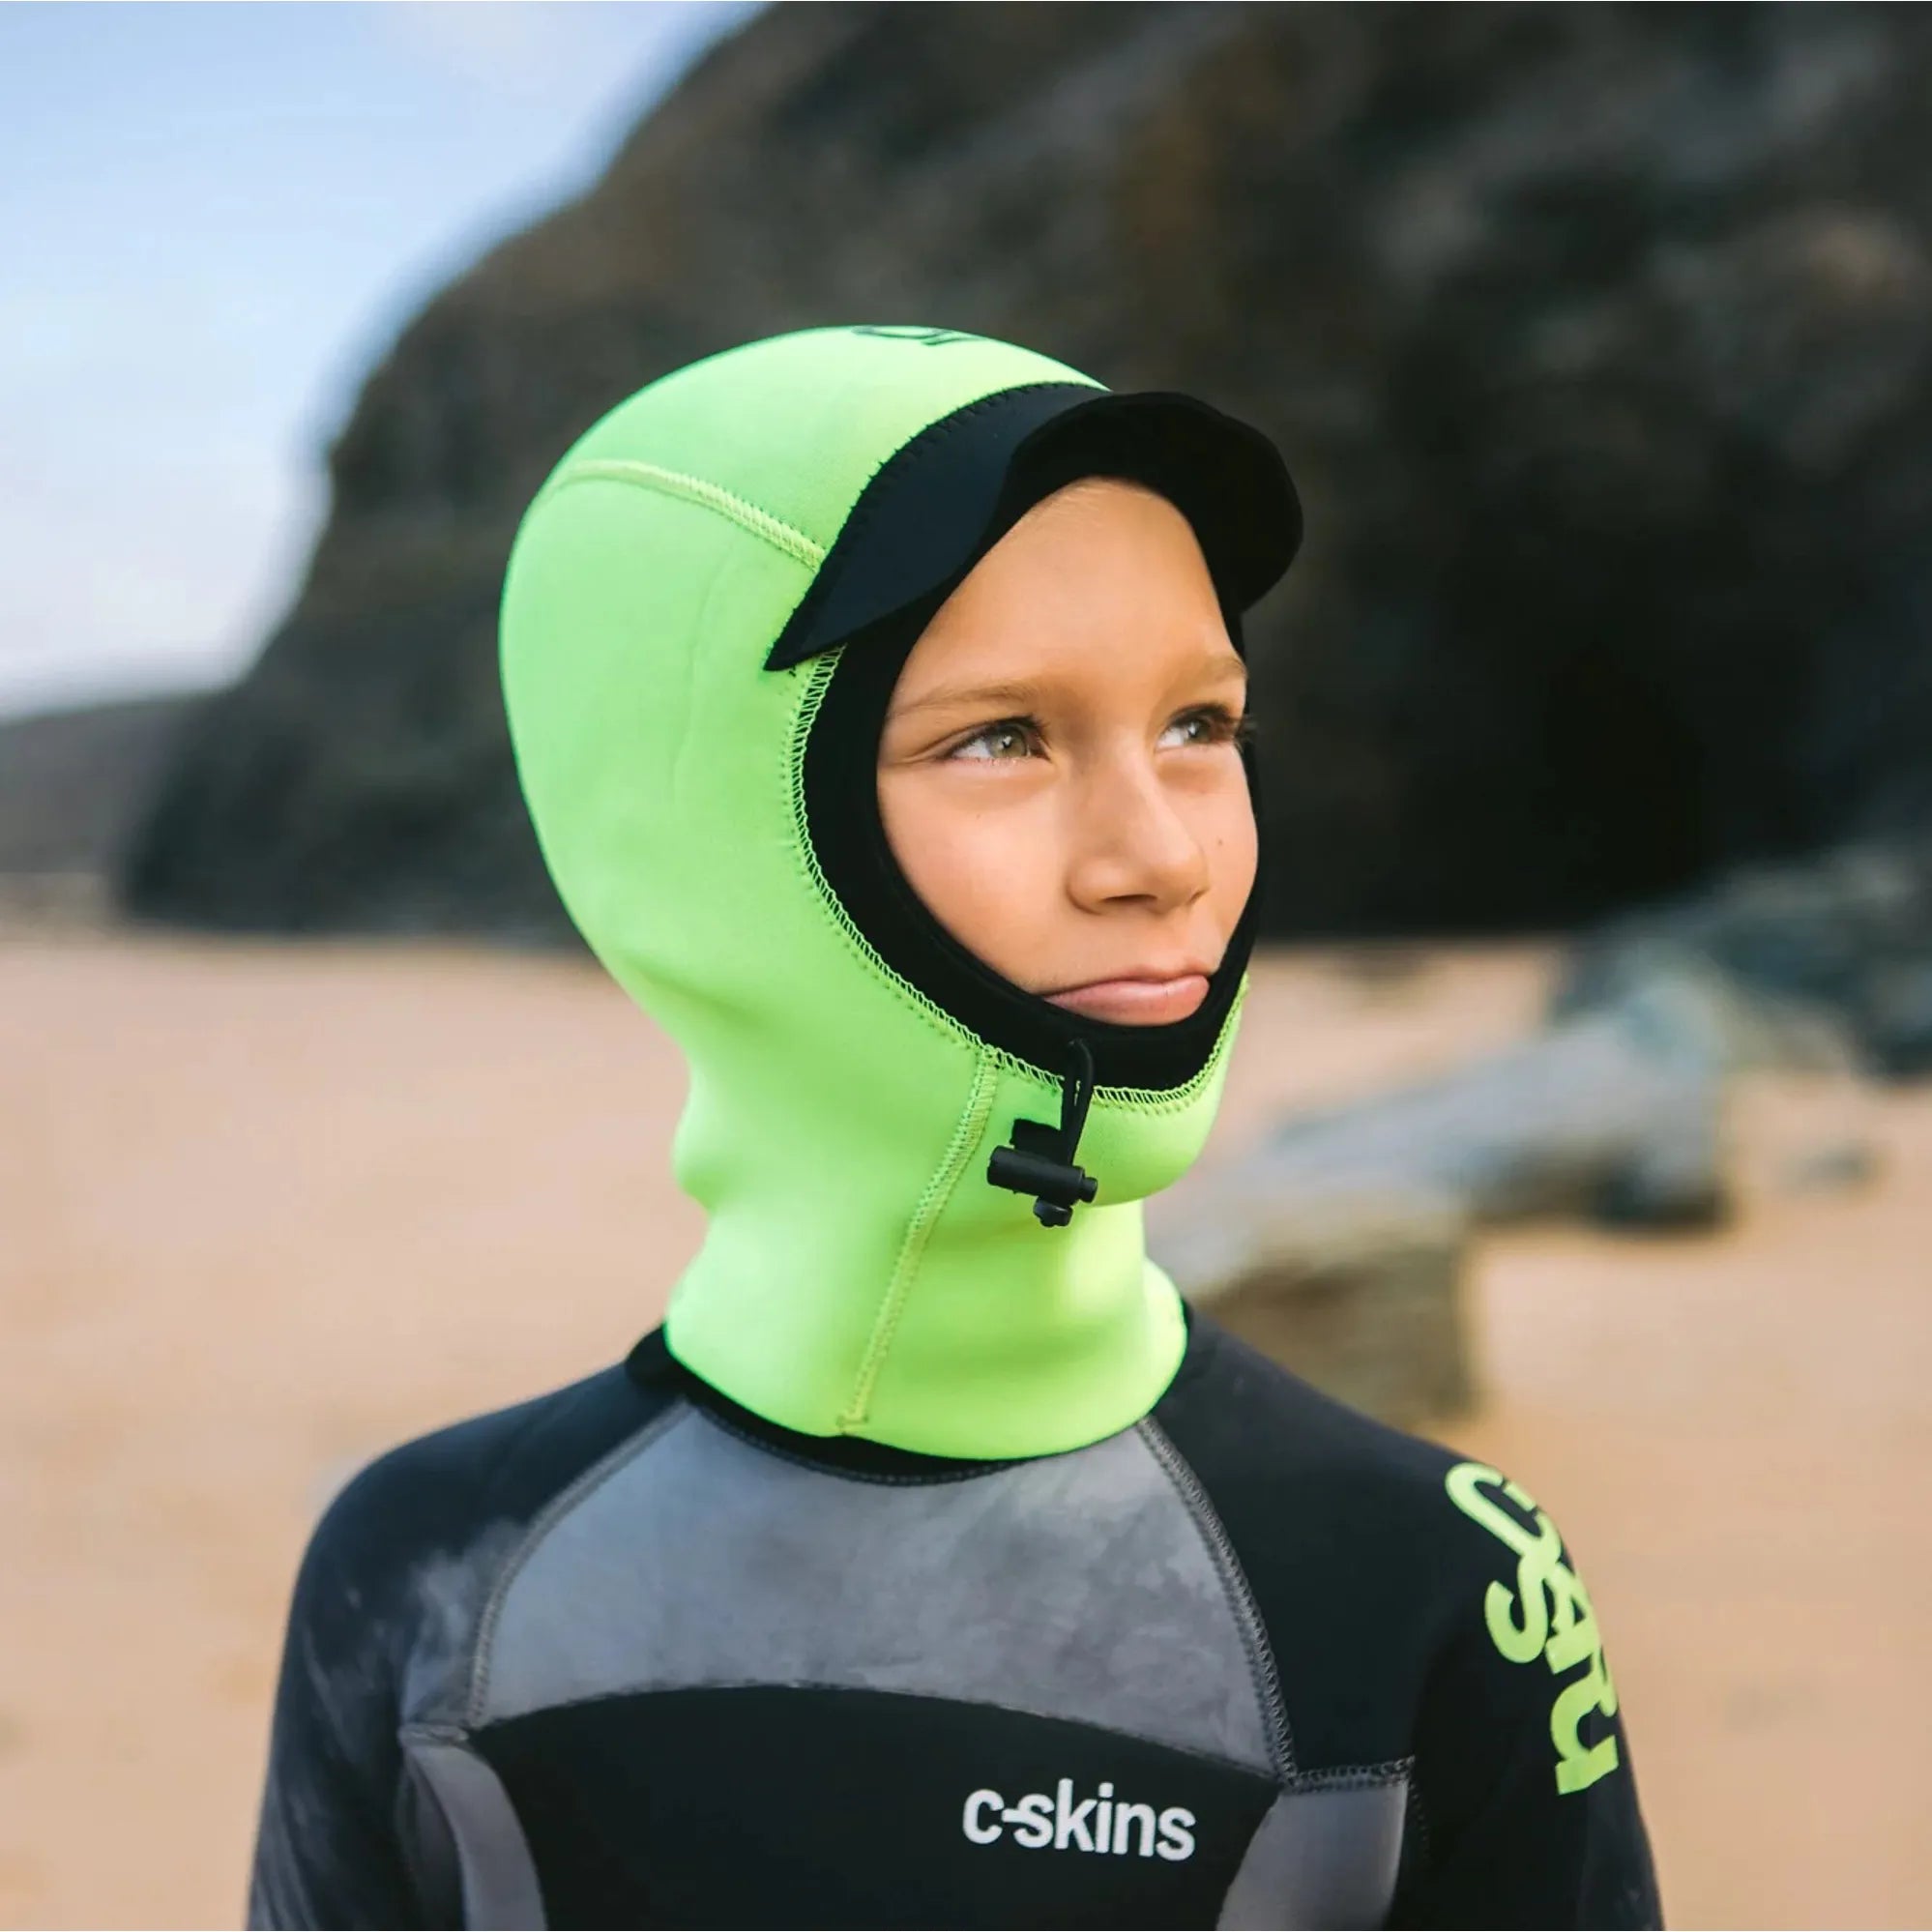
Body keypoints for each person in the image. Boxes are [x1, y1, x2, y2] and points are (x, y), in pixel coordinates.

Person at [245, 323, 1662, 1930]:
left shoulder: (1441, 1588)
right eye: (1002, 736)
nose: (1159, 856)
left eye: (1201, 722)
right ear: (696, 833)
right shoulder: (419, 1582)